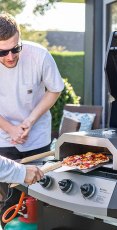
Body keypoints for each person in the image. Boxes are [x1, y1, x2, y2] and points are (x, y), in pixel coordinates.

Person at [0, 12, 64, 226]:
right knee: (8, 203)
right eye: (2, 51)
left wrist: (30, 121)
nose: (10, 57)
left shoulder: (39, 55)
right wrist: (9, 128)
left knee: (43, 199)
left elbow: (54, 89)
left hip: (37, 139)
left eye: (15, 48)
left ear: (20, 38)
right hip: (3, 140)